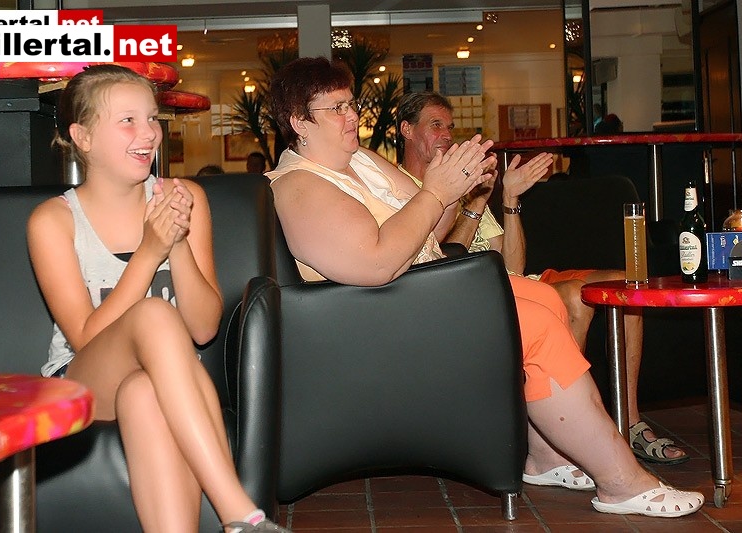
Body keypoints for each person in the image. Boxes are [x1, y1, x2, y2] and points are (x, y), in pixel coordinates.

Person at [266, 56, 703, 518]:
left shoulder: (361, 161)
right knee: (531, 322)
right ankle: (621, 481)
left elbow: (432, 233)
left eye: (351, 104)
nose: (352, 116)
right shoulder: (298, 187)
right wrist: (435, 192)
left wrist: (459, 187)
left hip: (413, 299)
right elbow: (376, 263)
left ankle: (543, 456)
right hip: (375, 326)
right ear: (299, 122)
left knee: (545, 298)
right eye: (336, 108)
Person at [27, 64, 289, 533]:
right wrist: (150, 252)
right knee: (152, 313)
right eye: (127, 121)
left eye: (151, 118)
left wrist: (178, 242)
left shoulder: (185, 197)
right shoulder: (54, 221)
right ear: (83, 137)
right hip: (82, 381)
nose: (148, 133)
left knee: (144, 393)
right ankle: (240, 513)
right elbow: (85, 338)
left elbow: (204, 329)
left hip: (162, 379)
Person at [396, 92, 688, 466]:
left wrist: (509, 199)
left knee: (623, 284)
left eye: (449, 127)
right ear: (406, 129)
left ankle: (629, 421)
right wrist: (476, 203)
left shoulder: (462, 184)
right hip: (476, 292)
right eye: (435, 125)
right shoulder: (403, 187)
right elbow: (442, 257)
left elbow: (513, 266)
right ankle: (569, 435)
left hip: (517, 281)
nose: (446, 135)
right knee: (574, 297)